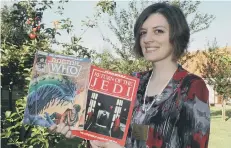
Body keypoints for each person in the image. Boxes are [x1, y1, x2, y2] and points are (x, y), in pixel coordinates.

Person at [49, 2, 210, 148]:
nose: (147, 39)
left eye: (158, 31)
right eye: (143, 33)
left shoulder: (192, 87)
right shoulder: (134, 81)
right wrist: (78, 131)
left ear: (176, 36)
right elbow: (107, 133)